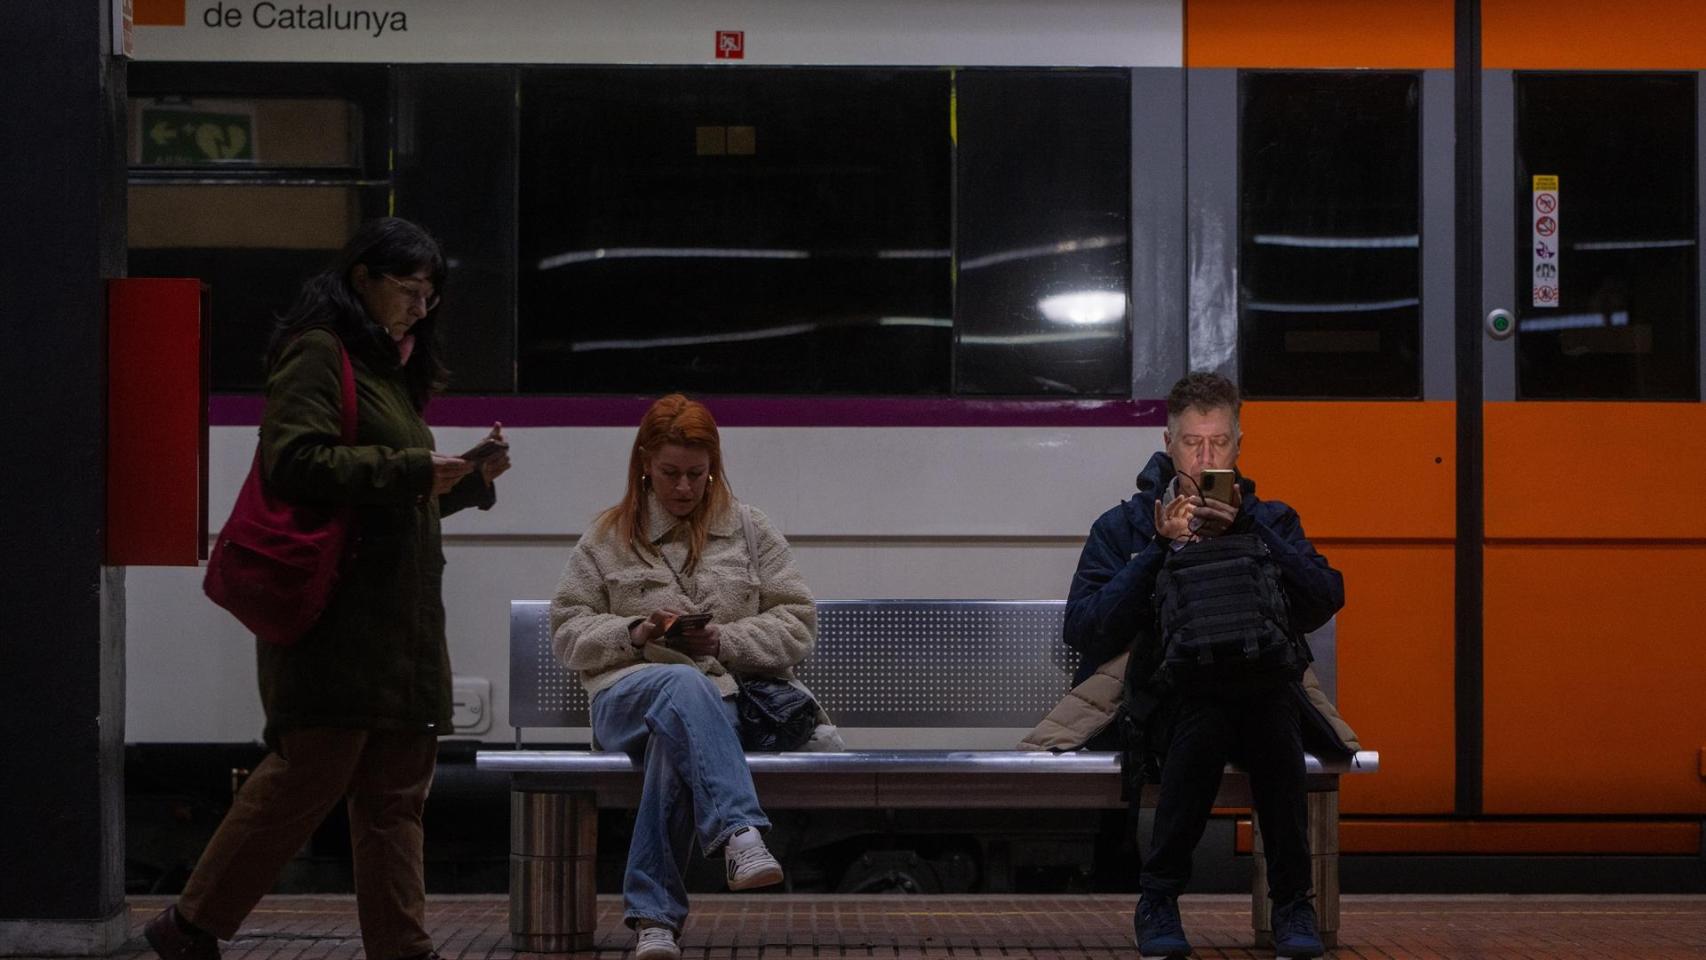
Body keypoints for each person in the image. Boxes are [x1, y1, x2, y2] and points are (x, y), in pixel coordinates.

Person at [144, 217, 511, 960]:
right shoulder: (319, 354)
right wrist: (411, 469)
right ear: (362, 279)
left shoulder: (387, 370)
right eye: (408, 288)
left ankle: (403, 949)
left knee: (396, 798)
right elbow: (296, 462)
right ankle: (188, 927)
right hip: (336, 620)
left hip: (399, 626)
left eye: (430, 294)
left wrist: (465, 483)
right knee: (303, 779)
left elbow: (383, 494)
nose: (419, 305)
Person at [1027, 372, 1357, 960]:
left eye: (1219, 443)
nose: (1205, 457)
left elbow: (1323, 597)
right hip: (1159, 701)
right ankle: (1290, 904)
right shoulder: (1126, 528)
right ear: (1168, 443)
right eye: (1192, 443)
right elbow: (1084, 629)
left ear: (1238, 445)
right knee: (1225, 705)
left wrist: (1249, 530)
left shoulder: (1269, 520)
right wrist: (1158, 551)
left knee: (1257, 702)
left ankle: (1159, 898)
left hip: (1254, 695)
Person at [549, 394, 819, 960]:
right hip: (624, 699)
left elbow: (797, 624)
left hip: (718, 703)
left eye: (698, 474)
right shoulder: (607, 537)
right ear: (644, 462)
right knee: (680, 686)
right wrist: (635, 633)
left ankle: (655, 924)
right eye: (670, 473)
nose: (684, 488)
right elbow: (568, 633)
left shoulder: (748, 529)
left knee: (679, 734)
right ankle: (740, 833)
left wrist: (723, 640)